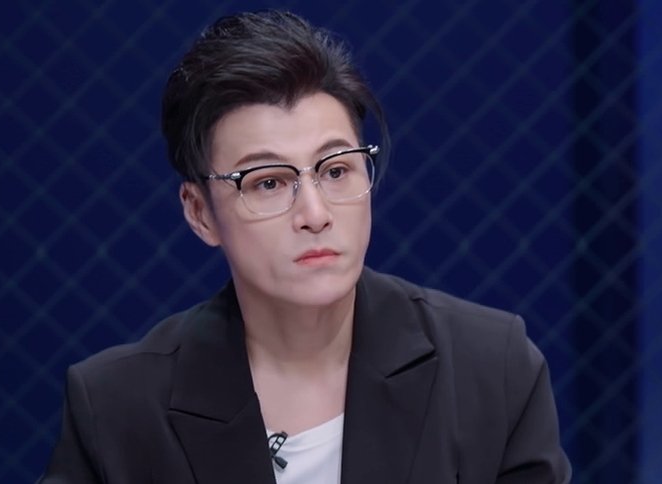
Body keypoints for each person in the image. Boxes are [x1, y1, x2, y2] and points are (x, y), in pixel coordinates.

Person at [39, 9, 571, 484]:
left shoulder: (491, 369)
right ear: (200, 213)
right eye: (268, 182)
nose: (315, 215)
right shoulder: (117, 408)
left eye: (336, 170)